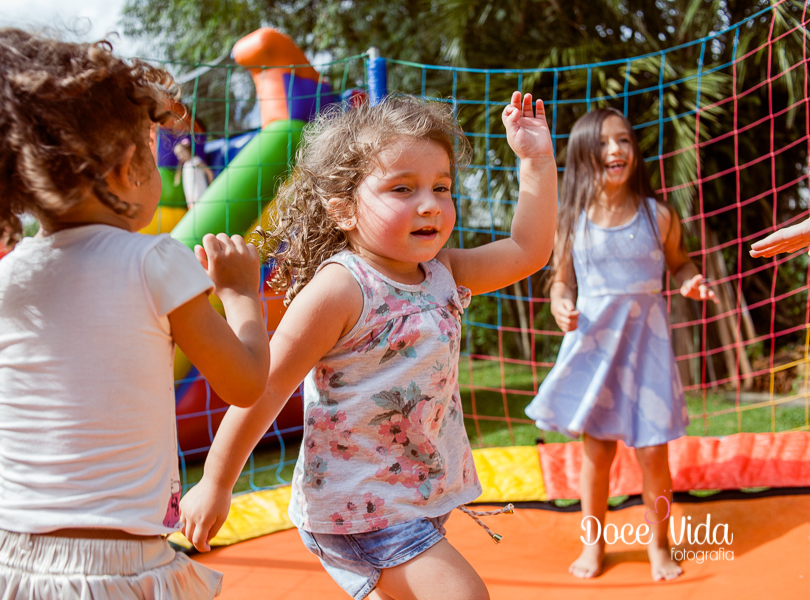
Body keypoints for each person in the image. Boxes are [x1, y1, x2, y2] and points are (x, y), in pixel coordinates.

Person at [0, 28, 270, 599]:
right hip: (118, 564)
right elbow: (246, 382)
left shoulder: (1, 276)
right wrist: (240, 293)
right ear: (130, 166)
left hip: (5, 556)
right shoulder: (155, 259)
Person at [179, 92, 558, 600]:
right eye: (402, 188)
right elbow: (266, 389)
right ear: (342, 209)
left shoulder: (443, 272)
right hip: (359, 506)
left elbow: (527, 250)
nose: (429, 203)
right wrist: (217, 483)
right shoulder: (340, 289)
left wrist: (536, 160)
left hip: (416, 491)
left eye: (441, 187)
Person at [524, 108, 716, 582]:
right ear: (585, 154)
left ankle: (660, 545)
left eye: (624, 141)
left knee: (654, 455)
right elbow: (561, 283)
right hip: (596, 354)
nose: (616, 150)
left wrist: (691, 282)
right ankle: (594, 543)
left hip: (646, 352)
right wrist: (561, 305)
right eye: (605, 143)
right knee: (597, 453)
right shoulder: (573, 221)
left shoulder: (660, 216)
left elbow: (682, 264)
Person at [173, 137, 213, 209]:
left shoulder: (195, 161)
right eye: (178, 154)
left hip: (200, 194)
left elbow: (209, 172)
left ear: (188, 150)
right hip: (191, 197)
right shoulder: (185, 165)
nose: (180, 156)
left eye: (181, 152)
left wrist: (211, 185)